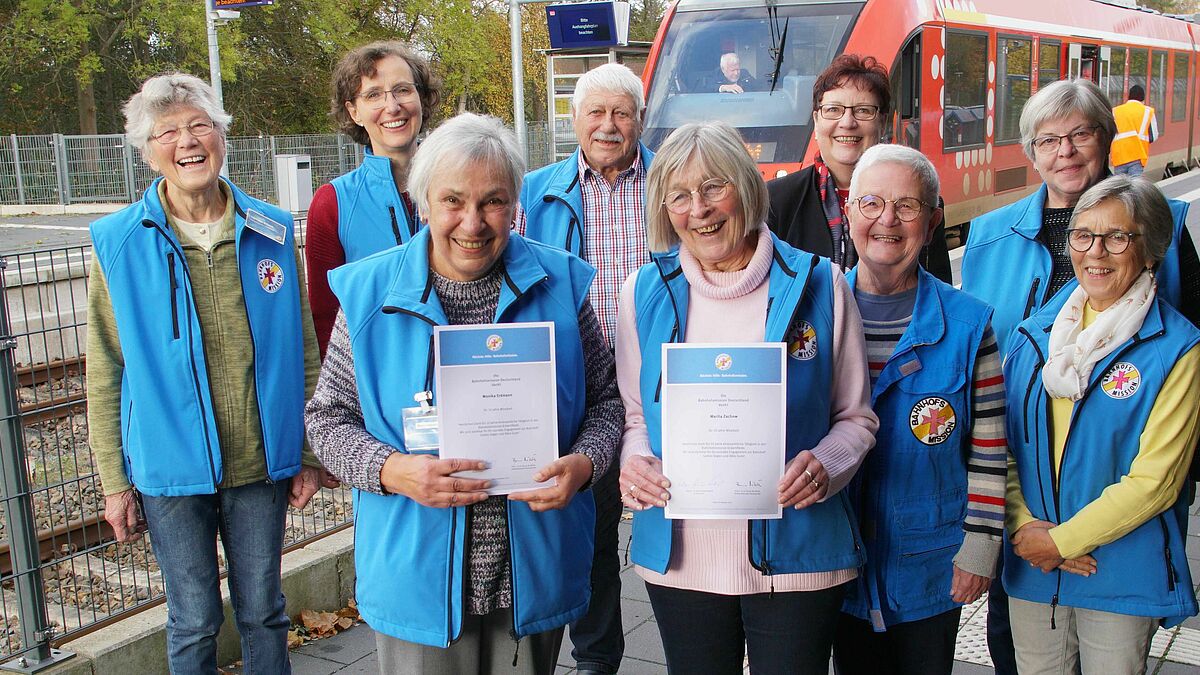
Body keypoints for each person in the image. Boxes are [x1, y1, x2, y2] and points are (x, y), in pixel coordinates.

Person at [305, 112, 622, 675]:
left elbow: (605, 404)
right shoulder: (370, 294)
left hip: (531, 570)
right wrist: (391, 469)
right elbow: (327, 420)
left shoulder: (562, 285)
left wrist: (586, 465)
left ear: (516, 204)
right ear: (422, 202)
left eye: (492, 201)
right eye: (453, 201)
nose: (472, 223)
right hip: (418, 573)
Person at [86, 72, 334, 674]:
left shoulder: (271, 229)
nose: (187, 141)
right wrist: (115, 480)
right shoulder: (118, 243)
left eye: (200, 125)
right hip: (171, 472)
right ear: (148, 151)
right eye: (167, 131)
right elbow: (105, 369)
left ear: (222, 136)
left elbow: (302, 345)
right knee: (193, 620)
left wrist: (306, 451)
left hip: (257, 462)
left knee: (264, 611)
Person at [616, 120, 879, 674]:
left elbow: (856, 419)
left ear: (746, 187)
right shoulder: (644, 290)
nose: (700, 209)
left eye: (714, 187)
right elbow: (637, 416)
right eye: (680, 196)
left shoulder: (820, 283)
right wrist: (635, 461)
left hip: (796, 551)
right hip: (682, 556)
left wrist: (825, 465)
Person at [960, 76, 1200, 675]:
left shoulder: (1164, 234)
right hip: (1026, 501)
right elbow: (982, 372)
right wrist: (1023, 527)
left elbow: (1176, 362)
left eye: (1080, 134)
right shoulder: (991, 238)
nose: (1064, 151)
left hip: (1121, 503)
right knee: (1015, 650)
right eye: (1047, 139)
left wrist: (1074, 535)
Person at [1003, 175, 1200, 674]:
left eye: (1118, 237)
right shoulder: (1034, 337)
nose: (1097, 252)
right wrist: (1025, 528)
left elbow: (1157, 482)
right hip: (1033, 563)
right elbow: (999, 448)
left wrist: (1062, 542)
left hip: (1119, 567)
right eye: (1083, 235)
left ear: (1151, 252)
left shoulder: (1176, 348)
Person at [831, 144, 1006, 675]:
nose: (887, 220)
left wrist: (980, 546)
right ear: (848, 212)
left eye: (907, 207)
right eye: (871, 203)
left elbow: (992, 447)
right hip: (832, 555)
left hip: (929, 558)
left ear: (932, 222)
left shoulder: (971, 325)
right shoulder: (809, 312)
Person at [515, 61, 650, 675]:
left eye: (621, 113)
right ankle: (598, 661)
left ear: (640, 120)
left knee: (672, 515)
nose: (608, 125)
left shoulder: (668, 185)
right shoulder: (534, 191)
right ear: (573, 121)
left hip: (658, 384)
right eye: (595, 113)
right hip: (578, 388)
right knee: (590, 535)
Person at [305, 41, 442, 356]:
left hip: (460, 376)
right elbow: (326, 316)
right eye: (373, 95)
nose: (392, 106)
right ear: (354, 111)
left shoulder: (462, 187)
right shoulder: (333, 205)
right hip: (377, 382)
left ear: (422, 97)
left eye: (402, 90)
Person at [767, 54, 951, 283]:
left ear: (882, 121)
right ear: (816, 120)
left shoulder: (919, 203)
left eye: (863, 110)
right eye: (833, 110)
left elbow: (938, 295)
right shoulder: (775, 202)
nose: (847, 122)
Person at [1110, 84, 1157, 177]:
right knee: (1134, 186)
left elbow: (1109, 133)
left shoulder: (1115, 111)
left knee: (1120, 187)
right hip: (1138, 156)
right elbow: (1154, 136)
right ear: (1143, 99)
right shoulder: (1147, 111)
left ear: (1129, 97)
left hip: (1119, 156)